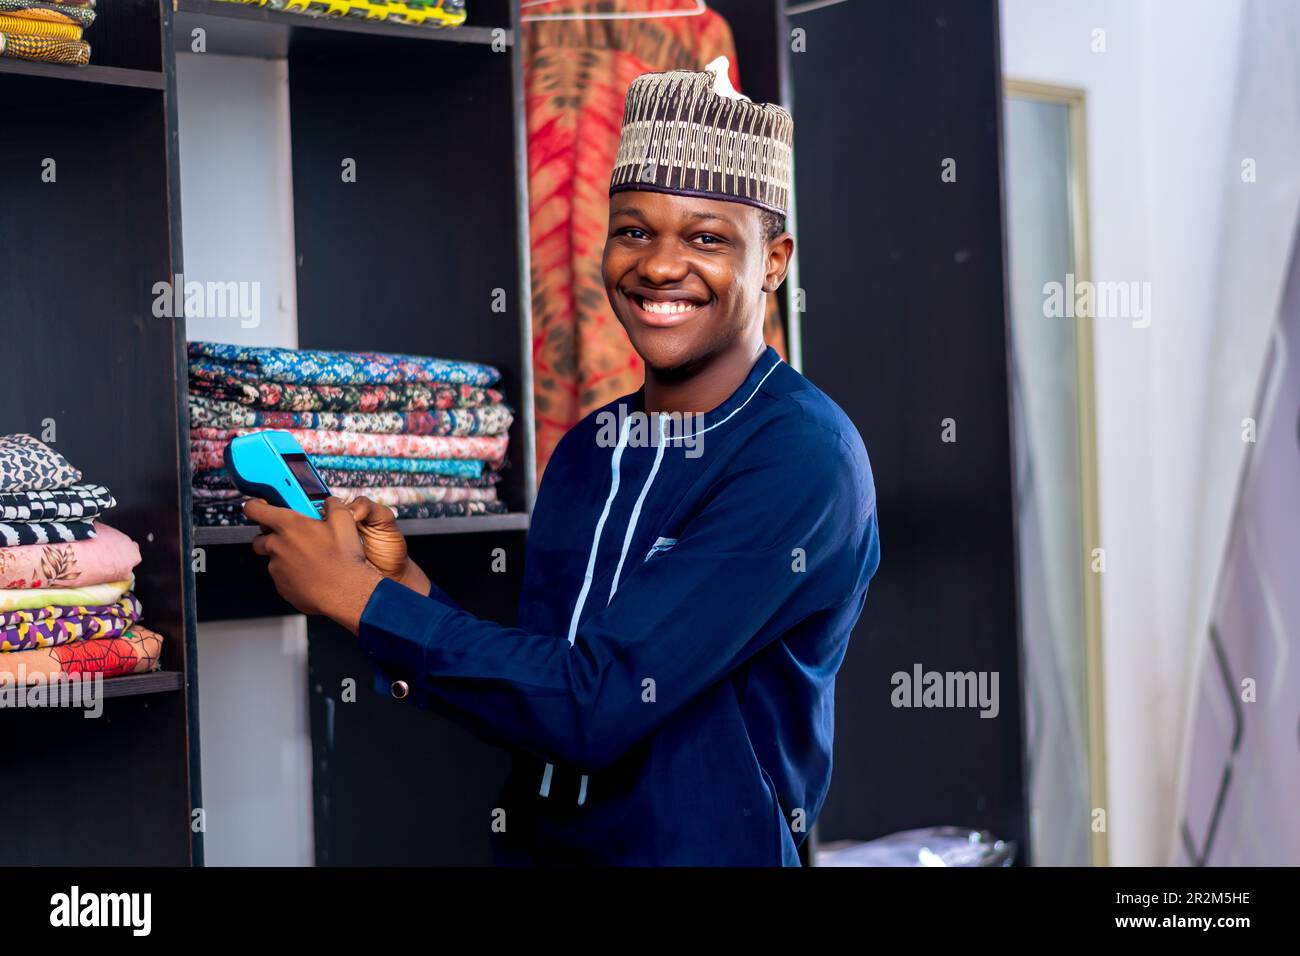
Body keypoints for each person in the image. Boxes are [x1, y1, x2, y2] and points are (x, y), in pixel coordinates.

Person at [244, 57, 881, 866]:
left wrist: (360, 600)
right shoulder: (591, 448)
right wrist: (405, 588)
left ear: (774, 262)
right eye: (634, 231)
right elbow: (552, 681)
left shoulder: (801, 458)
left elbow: (595, 705)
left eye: (707, 238)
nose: (657, 266)